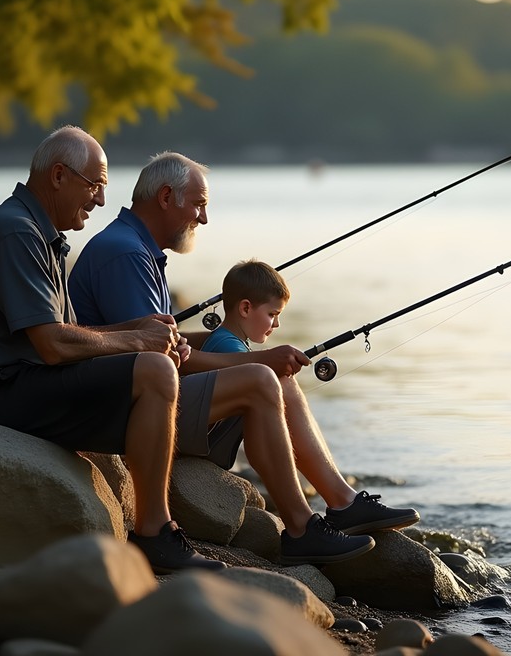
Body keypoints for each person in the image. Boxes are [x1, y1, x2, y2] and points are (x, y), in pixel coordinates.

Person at [69, 152, 420, 566]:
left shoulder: (135, 248)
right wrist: (260, 361)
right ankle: (301, 528)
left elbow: (158, 341)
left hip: (140, 395)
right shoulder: (125, 254)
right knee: (261, 378)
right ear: (166, 197)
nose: (203, 219)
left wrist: (229, 340)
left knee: (275, 378)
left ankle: (342, 503)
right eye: (198, 204)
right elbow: (158, 359)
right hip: (133, 412)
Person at [0, 125, 224, 573]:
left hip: (22, 382)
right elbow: (53, 345)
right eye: (95, 186)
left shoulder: (37, 230)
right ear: (58, 177)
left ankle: (154, 521)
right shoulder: (15, 232)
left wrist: (140, 326)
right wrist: (136, 340)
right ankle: (154, 532)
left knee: (151, 363)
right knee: (155, 372)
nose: (101, 200)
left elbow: (71, 330)